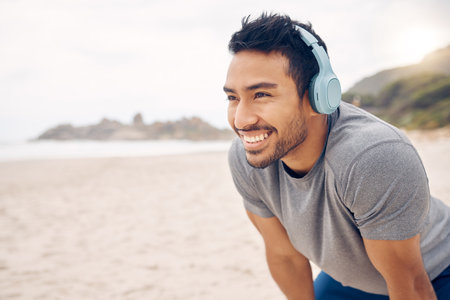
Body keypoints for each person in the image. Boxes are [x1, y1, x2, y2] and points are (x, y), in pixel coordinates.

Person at [224, 13, 450, 300]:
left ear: (319, 96)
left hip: (433, 274)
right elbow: (286, 257)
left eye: (262, 95)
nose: (241, 120)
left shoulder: (374, 157)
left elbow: (411, 284)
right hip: (351, 278)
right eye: (233, 97)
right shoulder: (248, 156)